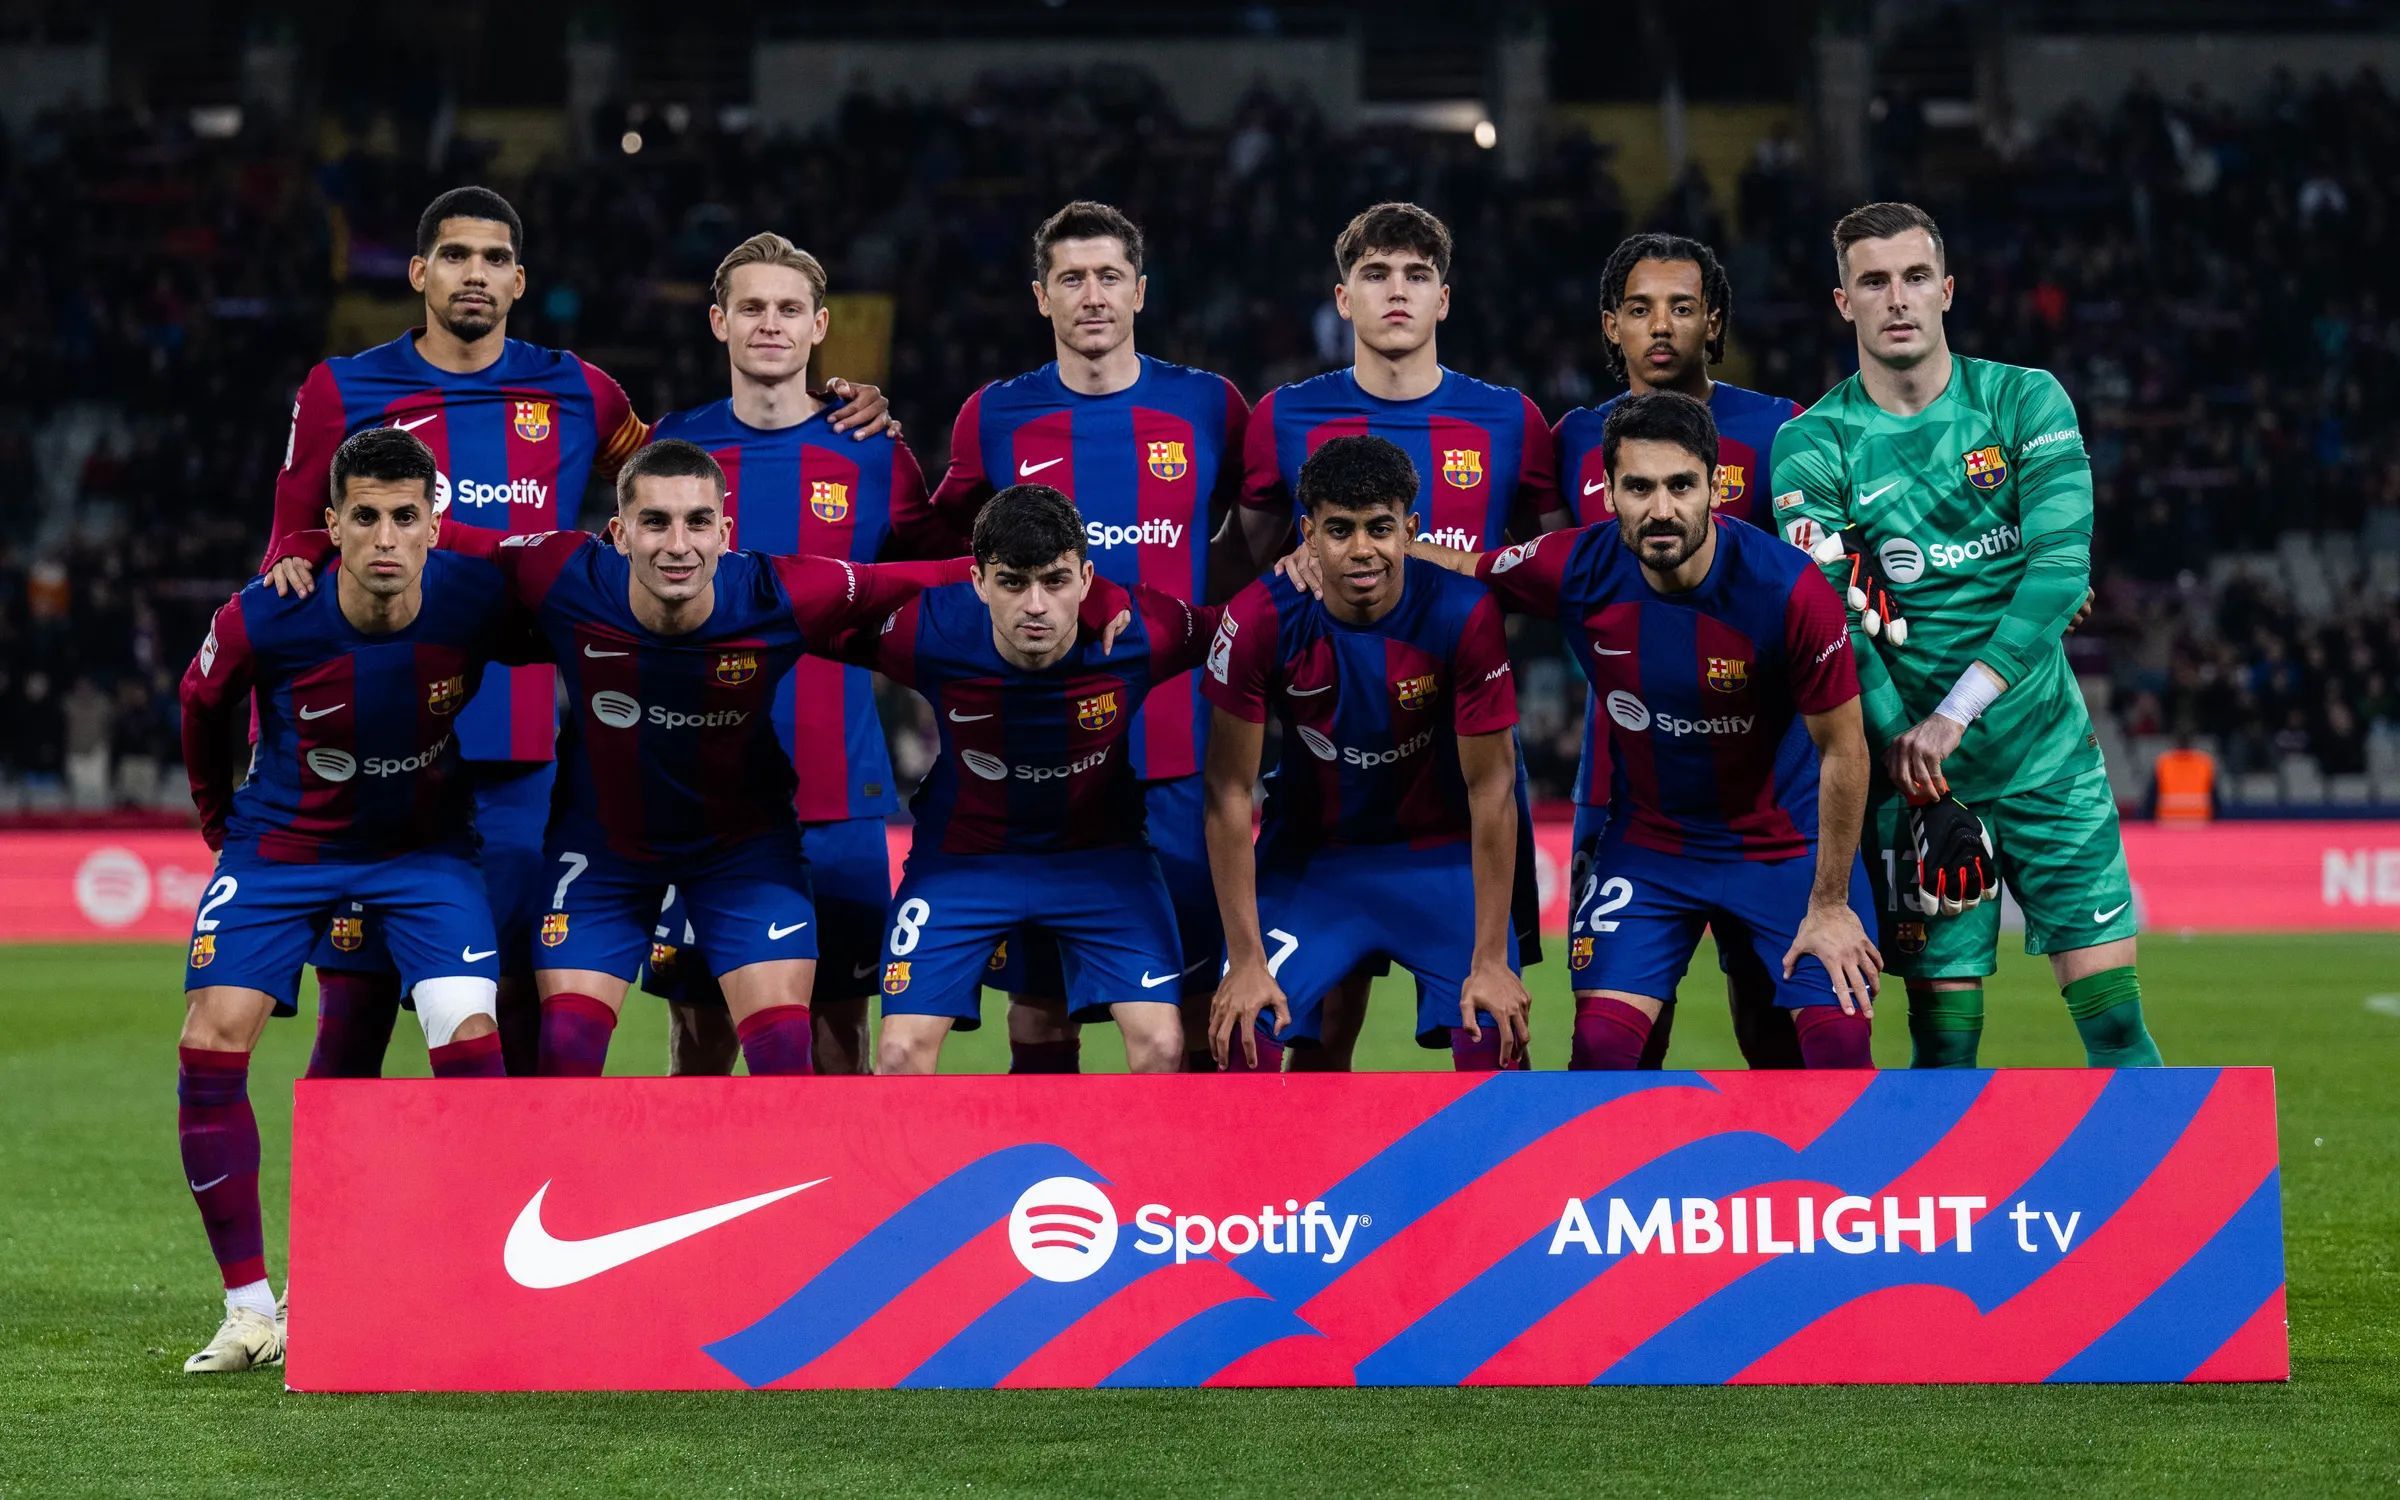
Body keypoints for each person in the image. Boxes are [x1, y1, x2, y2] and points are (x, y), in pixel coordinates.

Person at [270, 187, 891, 1079]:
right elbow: (290, 547)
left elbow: (662, 478)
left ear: (519, 280)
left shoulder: (580, 392)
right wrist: (280, 729)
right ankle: (348, 1222)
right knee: (356, 1002)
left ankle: (525, 1201)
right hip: (378, 732)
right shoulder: (341, 390)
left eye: (493, 260)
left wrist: (831, 401)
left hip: (520, 743)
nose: (473, 275)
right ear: (418, 273)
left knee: (517, 995)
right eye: (454, 256)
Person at [267, 440, 963, 1077]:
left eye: (697, 523)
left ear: (726, 533)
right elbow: (442, 532)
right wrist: (307, 537)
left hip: (743, 852)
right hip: (602, 856)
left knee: (784, 1060)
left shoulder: (780, 591)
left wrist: (1040, 581)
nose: (678, 545)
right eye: (655, 522)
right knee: (564, 1055)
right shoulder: (564, 570)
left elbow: (919, 576)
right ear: (620, 532)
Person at [1772, 202, 2163, 1069]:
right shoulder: (1814, 442)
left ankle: (2159, 1206)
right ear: (1844, 303)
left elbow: (2061, 573)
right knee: (1945, 1046)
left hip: (2047, 761)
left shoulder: (2024, 400)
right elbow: (1833, 620)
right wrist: (1912, 757)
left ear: (1946, 290)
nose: (1897, 299)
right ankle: (1946, 1210)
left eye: (1914, 278)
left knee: (2113, 1025)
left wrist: (1950, 716)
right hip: (1917, 787)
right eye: (1873, 282)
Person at [175, 428, 518, 1373]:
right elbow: (199, 704)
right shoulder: (266, 615)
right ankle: (249, 1310)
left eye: (405, 517)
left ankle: (474, 1280)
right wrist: (219, 820)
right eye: (363, 517)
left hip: (424, 851)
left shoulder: (477, 599)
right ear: (329, 525)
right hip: (284, 844)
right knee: (214, 1032)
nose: (384, 537)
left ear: (434, 526)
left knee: (465, 1026)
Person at [1421, 393, 1882, 1070]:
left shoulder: (1789, 589)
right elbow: (1458, 567)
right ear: (1608, 492)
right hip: (1653, 846)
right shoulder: (1575, 566)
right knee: (1603, 1049)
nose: (1660, 509)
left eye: (1680, 486)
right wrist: (1338, 558)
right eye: (1638, 486)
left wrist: (1832, 903)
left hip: (1786, 848)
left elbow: (1844, 749)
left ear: (1715, 488)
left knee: (1838, 1050)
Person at [927, 201, 1250, 1073]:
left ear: (1141, 290)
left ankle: (1195, 1205)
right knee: (1039, 1016)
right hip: (1038, 767)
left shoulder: (1210, 406)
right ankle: (1046, 1199)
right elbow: (946, 556)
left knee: (1190, 1013)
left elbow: (1256, 547)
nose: (1092, 295)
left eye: (1110, 276)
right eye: (1071, 278)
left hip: (1178, 758)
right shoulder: (995, 416)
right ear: (1041, 296)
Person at [1234, 201, 1558, 1067]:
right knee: (1312, 1035)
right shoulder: (1283, 418)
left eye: (1417, 275)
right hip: (1323, 775)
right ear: (1343, 298)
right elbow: (1256, 567)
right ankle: (1313, 1203)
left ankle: (1493, 1197)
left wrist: (1462, 580)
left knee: (1492, 1030)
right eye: (1376, 274)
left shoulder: (1509, 421)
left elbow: (1558, 567)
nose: (1397, 292)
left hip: (1456, 769)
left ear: (1445, 299)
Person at [636, 233, 954, 1078]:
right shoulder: (675, 450)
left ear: (820, 326)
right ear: (718, 322)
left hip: (840, 788)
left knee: (840, 1041)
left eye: (786, 310)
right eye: (750, 308)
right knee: (698, 1042)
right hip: (700, 797)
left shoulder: (875, 452)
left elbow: (934, 591)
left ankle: (834, 1213)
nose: (768, 324)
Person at [847, 485, 1216, 1076]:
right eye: (1013, 583)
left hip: (1101, 860)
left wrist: (1303, 567)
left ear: (1087, 578)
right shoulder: (926, 632)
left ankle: (1144, 1170)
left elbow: (1250, 632)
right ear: (978, 582)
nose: (1036, 605)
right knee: (897, 1053)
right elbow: (802, 619)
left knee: (1163, 1046)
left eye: (1056, 581)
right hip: (964, 863)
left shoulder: (1148, 631)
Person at [1553, 232, 1810, 1069]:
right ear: (1610, 326)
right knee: (1614, 1039)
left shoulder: (1780, 431)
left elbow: (1832, 581)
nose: (1660, 326)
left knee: (1773, 1027)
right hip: (1622, 783)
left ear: (1715, 322)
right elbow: (1521, 566)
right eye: (1639, 309)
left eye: (1683, 307)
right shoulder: (1569, 441)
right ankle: (1617, 1200)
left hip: (1765, 789)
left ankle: (1784, 1198)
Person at [1203, 436, 1531, 1070]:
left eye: (1380, 528)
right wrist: (1244, 961)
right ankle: (1292, 1171)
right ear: (1307, 533)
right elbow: (1227, 793)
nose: (1361, 550)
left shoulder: (1464, 612)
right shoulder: (1257, 619)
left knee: (1495, 1028)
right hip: (1312, 860)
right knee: (1245, 1033)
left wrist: (1491, 958)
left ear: (1409, 529)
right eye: (1339, 530)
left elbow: (1491, 788)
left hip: (1435, 857)